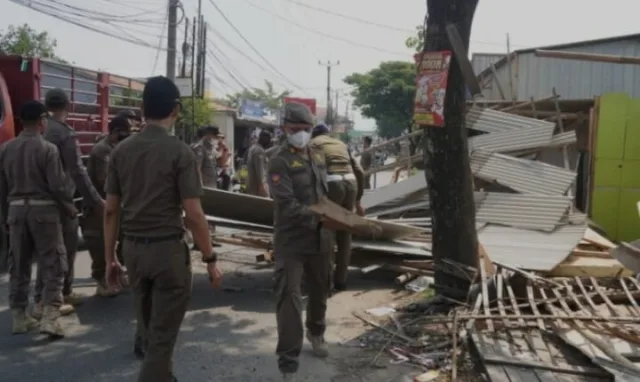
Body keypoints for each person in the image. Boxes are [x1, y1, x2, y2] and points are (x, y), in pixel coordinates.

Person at [104, 76, 222, 382]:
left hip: (133, 251)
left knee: (150, 330)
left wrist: (109, 259)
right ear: (176, 110)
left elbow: (111, 210)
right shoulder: (181, 152)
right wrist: (210, 259)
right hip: (167, 252)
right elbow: (194, 215)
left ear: (142, 108)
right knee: (160, 340)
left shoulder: (120, 151)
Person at [268, 102, 335, 381]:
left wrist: (338, 214)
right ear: (285, 128)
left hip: (320, 238)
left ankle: (316, 332)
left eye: (306, 129)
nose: (301, 134)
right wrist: (317, 217)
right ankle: (288, 361)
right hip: (291, 240)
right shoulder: (278, 160)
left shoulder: (317, 155)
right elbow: (285, 203)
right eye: (296, 130)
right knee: (289, 298)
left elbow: (323, 194)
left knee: (321, 290)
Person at [1, 100, 77, 338]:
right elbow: (57, 186)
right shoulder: (47, 149)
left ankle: (19, 317)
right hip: (43, 211)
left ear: (21, 122)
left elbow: (1, 188)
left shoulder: (5, 149)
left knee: (19, 264)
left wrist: (5, 216)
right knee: (54, 263)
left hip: (15, 211)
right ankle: (49, 317)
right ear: (42, 121)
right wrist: (69, 208)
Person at [32, 88, 105, 318]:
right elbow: (77, 170)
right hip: (62, 200)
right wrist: (95, 200)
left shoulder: (39, 130)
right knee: (65, 247)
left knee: (47, 250)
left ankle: (53, 294)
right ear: (68, 106)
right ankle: (56, 295)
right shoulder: (64, 133)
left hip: (37, 199)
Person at [310, 124, 365, 292]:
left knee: (326, 234)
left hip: (332, 184)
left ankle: (326, 282)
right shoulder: (341, 145)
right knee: (344, 234)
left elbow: (313, 171)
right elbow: (360, 171)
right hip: (351, 183)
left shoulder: (313, 144)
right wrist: (357, 201)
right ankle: (341, 281)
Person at [82, 115, 131, 297]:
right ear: (115, 132)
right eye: (124, 132)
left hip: (114, 203)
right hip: (99, 205)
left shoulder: (114, 148)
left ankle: (117, 275)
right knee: (100, 243)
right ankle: (101, 281)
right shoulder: (102, 150)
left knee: (120, 238)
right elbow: (105, 181)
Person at [246, 130, 272, 197]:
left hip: (252, 185)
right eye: (269, 140)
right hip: (258, 187)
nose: (269, 142)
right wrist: (262, 185)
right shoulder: (259, 151)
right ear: (265, 139)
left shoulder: (253, 148)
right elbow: (260, 170)